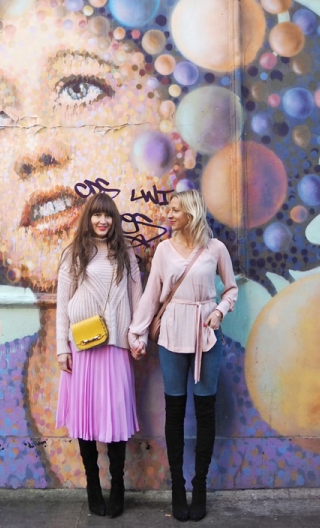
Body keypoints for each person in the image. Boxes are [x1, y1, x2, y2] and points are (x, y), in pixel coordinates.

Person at [128, 189, 238, 522]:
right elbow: (151, 295)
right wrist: (137, 333)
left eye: (176, 210)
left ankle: (199, 486)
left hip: (206, 334)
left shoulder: (215, 248)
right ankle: (178, 486)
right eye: (169, 209)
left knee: (205, 410)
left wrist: (219, 311)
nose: (169, 215)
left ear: (191, 212)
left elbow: (231, 288)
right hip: (172, 332)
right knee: (174, 410)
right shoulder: (163, 249)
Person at [55, 192, 142, 518]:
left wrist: (138, 337)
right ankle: (93, 484)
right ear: (88, 218)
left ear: (113, 219)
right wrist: (62, 348)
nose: (102, 221)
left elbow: (138, 298)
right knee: (86, 417)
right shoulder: (74, 253)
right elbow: (63, 304)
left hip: (116, 346)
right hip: (83, 347)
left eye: (107, 216)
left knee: (115, 417)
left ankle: (117, 485)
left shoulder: (125, 254)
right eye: (96, 215)